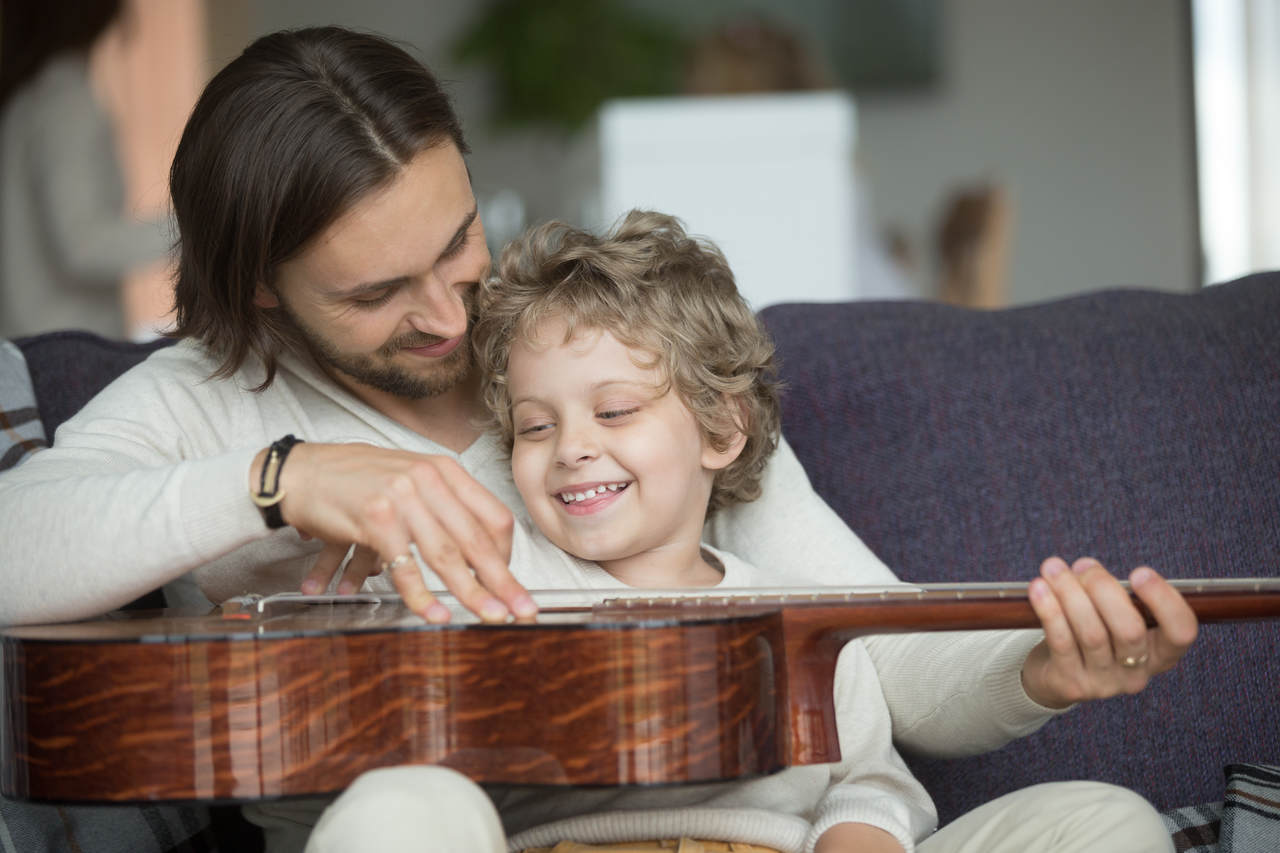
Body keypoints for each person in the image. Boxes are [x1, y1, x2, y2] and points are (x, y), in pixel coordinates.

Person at [0, 26, 1193, 853]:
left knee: (1099, 822)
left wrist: (1040, 672)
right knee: (401, 809)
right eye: (376, 295)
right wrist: (284, 480)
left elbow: (880, 663)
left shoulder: (596, 359)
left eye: (457, 243)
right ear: (259, 286)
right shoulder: (205, 400)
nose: (448, 314)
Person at [0, 0, 200, 341]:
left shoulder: (29, 95)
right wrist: (203, 224)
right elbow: (84, 245)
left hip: (31, 342)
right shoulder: (64, 100)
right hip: (62, 347)